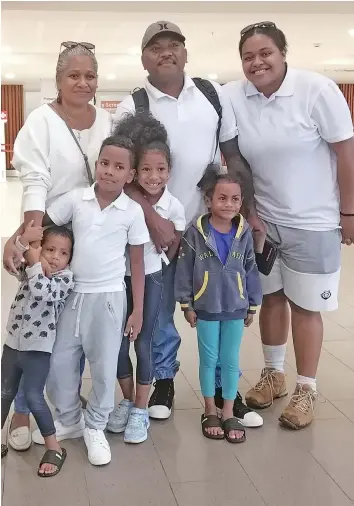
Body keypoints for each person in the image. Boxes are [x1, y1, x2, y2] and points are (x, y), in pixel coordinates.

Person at [114, 20, 264, 426]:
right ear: (144, 57)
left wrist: (246, 211)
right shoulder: (134, 105)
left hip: (209, 229)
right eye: (156, 46)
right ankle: (164, 379)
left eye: (173, 45)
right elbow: (122, 173)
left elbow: (232, 157)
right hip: (155, 234)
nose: (166, 51)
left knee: (220, 312)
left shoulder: (211, 96)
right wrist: (156, 222)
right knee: (161, 312)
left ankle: (223, 394)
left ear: (185, 52)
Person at [222, 21, 354, 429]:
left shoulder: (317, 90)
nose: (257, 62)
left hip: (314, 222)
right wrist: (251, 211)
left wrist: (348, 213)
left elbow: (346, 154)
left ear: (283, 54)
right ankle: (273, 374)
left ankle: (306, 388)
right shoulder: (232, 95)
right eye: (248, 56)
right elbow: (234, 158)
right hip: (265, 221)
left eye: (266, 53)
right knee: (272, 299)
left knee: (306, 306)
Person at [2, 41, 112, 450]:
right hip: (52, 238)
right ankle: (20, 410)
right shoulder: (41, 121)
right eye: (74, 75)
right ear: (58, 80)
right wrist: (27, 239)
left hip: (96, 239)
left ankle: (66, 401)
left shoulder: (107, 123)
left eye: (90, 76)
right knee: (38, 322)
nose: (83, 83)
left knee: (77, 325)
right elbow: (35, 181)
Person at [32, 135, 150, 466]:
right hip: (70, 294)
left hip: (109, 299)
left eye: (119, 166)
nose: (109, 171)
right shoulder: (75, 199)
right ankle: (70, 418)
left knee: (103, 365)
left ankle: (96, 425)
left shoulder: (132, 211)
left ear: (130, 174)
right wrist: (22, 245)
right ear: (96, 164)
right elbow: (41, 225)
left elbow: (137, 264)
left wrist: (137, 309)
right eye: (104, 163)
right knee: (59, 362)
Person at [107, 112, 186, 443]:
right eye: (146, 170)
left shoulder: (175, 207)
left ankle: (141, 407)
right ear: (134, 172)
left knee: (144, 340)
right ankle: (126, 400)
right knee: (116, 344)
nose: (154, 177)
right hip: (115, 280)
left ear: (170, 171)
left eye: (162, 170)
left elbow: (172, 253)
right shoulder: (122, 201)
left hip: (151, 280)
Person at [175, 165, 262, 442]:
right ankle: (209, 409)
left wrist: (251, 304)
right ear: (209, 200)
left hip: (235, 308)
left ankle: (228, 411)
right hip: (207, 309)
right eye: (222, 198)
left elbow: (251, 269)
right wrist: (186, 305)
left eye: (235, 199)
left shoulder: (244, 233)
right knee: (209, 359)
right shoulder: (195, 234)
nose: (228, 204)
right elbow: (184, 270)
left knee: (230, 359)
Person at [2, 224, 74, 477]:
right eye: (50, 249)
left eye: (63, 253)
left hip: (38, 350)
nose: (55, 257)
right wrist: (23, 243)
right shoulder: (30, 269)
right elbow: (11, 264)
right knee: (4, 394)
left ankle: (54, 447)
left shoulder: (64, 279)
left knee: (33, 397)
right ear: (40, 249)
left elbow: (42, 291)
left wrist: (35, 261)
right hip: (12, 344)